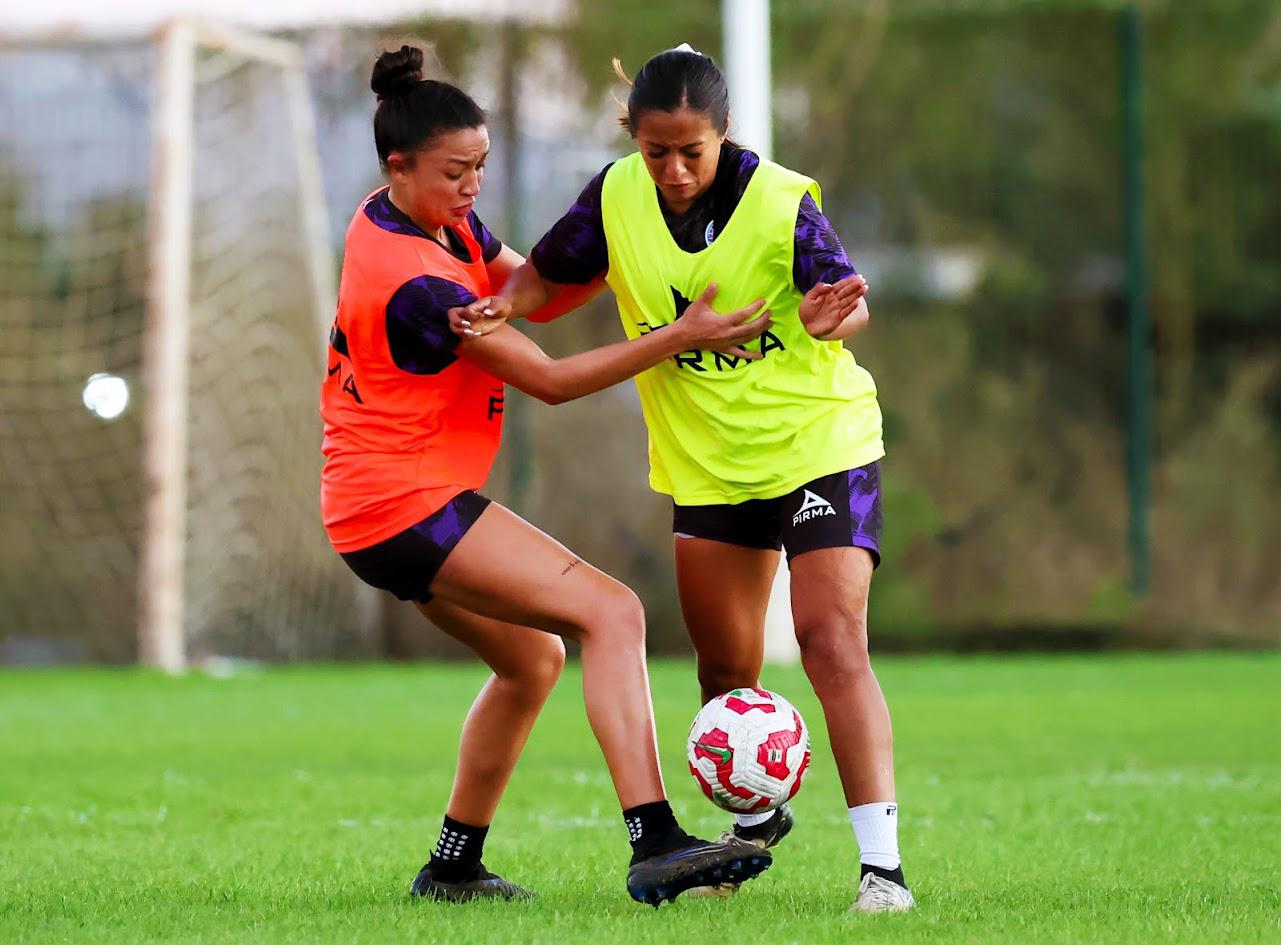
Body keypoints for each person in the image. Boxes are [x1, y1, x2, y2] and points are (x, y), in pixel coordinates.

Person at [452, 44, 914, 913]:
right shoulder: (615, 192)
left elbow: (845, 299)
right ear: (631, 135)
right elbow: (549, 275)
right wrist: (507, 302)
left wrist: (833, 316)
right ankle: (754, 821)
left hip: (821, 443)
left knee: (828, 640)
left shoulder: (782, 200)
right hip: (707, 463)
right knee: (724, 675)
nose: (670, 169)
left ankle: (881, 873)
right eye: (654, 149)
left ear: (724, 134)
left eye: (689, 151)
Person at [320, 44, 776, 906]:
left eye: (481, 168)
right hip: (403, 506)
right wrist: (680, 334)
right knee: (613, 612)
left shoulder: (421, 219)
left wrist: (631, 240)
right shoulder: (413, 280)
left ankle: (453, 865)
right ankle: (656, 840)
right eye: (457, 171)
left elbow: (536, 285)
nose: (472, 188)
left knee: (532, 660)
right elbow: (554, 380)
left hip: (374, 507)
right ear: (398, 166)